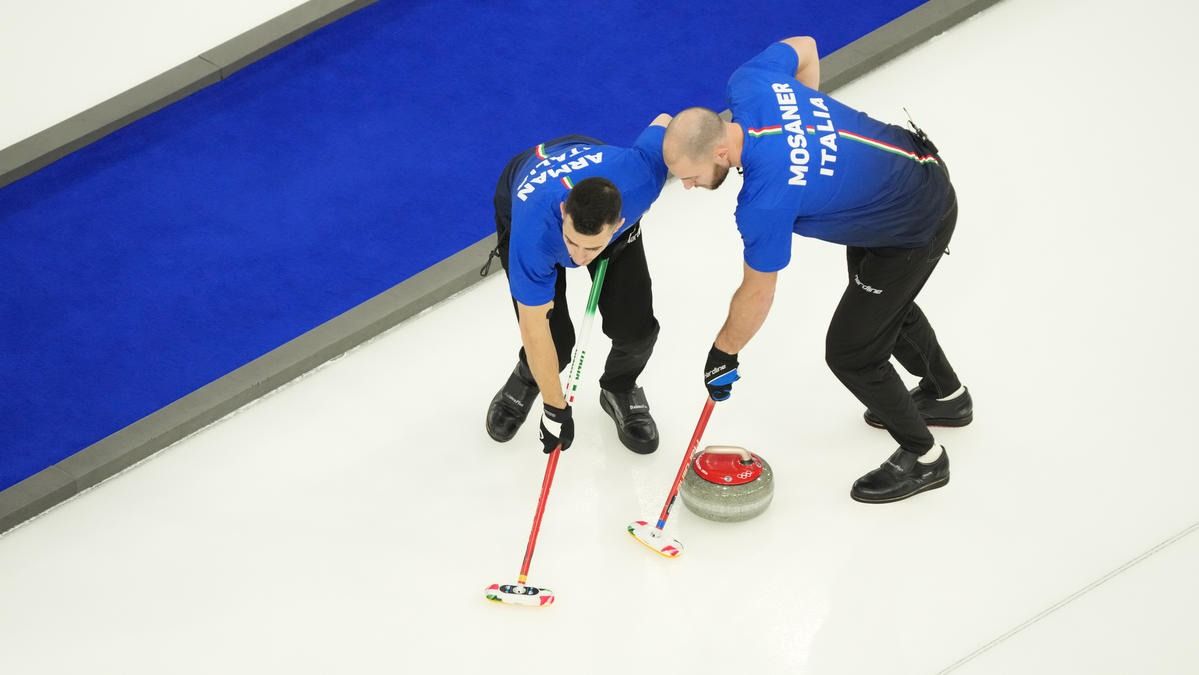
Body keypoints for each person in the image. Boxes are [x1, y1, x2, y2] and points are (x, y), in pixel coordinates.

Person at [662, 37, 972, 503]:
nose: (687, 186)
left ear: (721, 153)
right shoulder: (749, 83)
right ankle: (947, 397)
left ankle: (925, 457)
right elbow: (805, 47)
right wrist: (809, 135)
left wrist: (724, 352)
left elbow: (758, 292)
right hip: (905, 178)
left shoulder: (765, 201)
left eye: (691, 176)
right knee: (884, 305)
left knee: (852, 352)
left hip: (914, 219)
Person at [483, 115, 672, 456]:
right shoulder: (533, 234)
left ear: (619, 223)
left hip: (602, 188)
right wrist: (555, 409)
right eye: (572, 243)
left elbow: (667, 121)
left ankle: (619, 388)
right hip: (527, 190)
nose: (579, 257)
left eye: (591, 248)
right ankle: (528, 377)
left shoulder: (642, 176)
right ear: (563, 210)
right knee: (555, 343)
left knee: (636, 330)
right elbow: (534, 327)